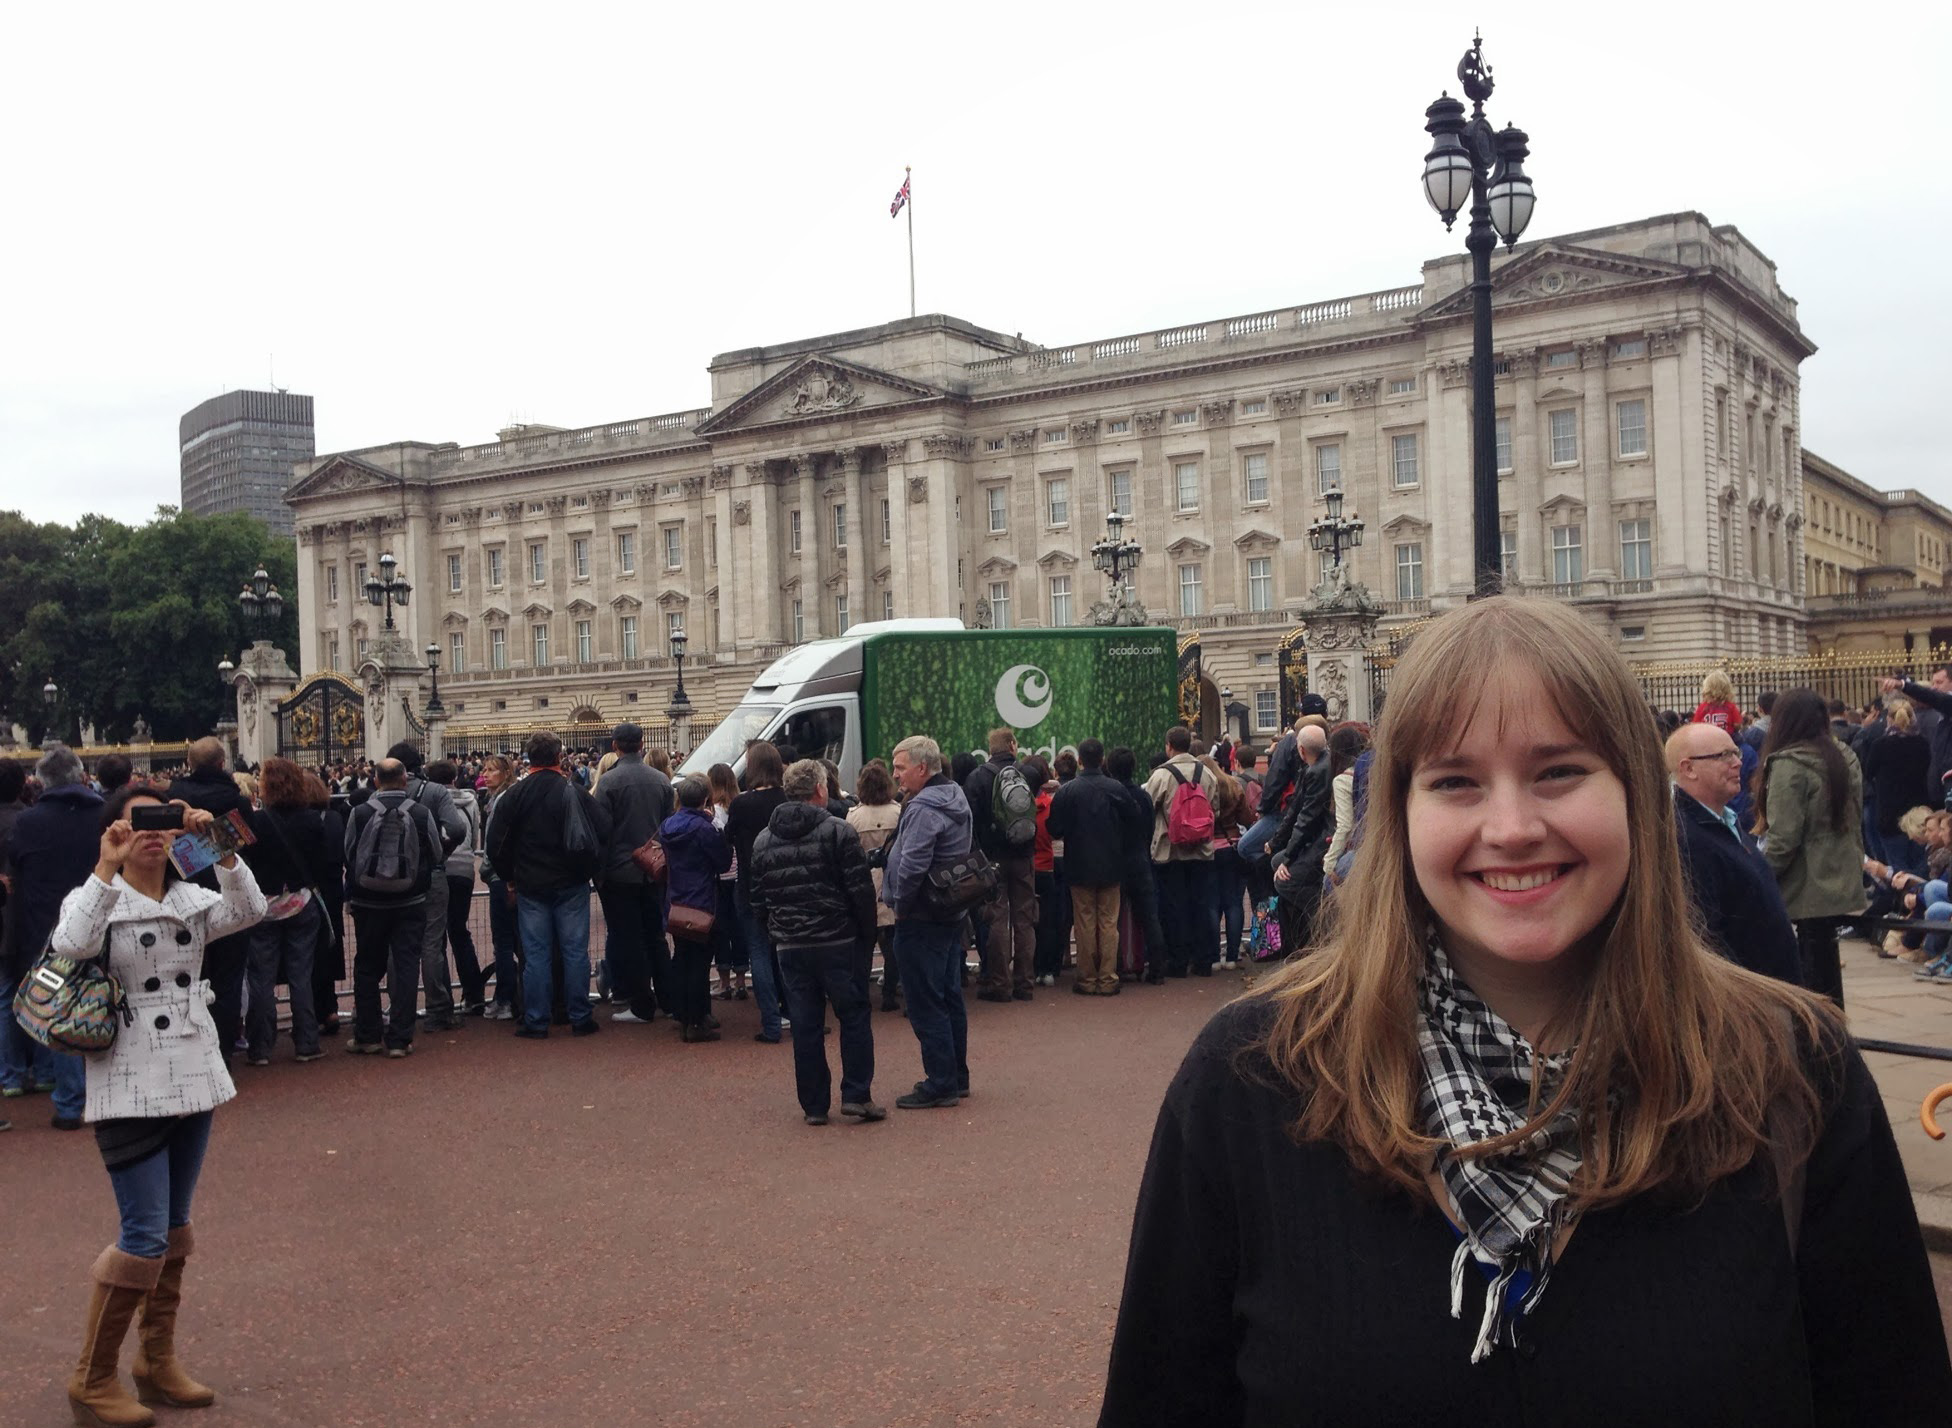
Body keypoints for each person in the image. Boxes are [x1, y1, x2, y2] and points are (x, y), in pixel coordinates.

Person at [1100, 596, 1951, 1424]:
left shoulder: (1795, 1068)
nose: (1510, 828)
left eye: (1559, 772)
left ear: (1634, 797)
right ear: (1400, 816)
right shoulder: (1250, 1074)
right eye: (1456, 781)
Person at [53, 785, 266, 1424]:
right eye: (137, 820)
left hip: (193, 1067)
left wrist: (217, 840)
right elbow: (70, 944)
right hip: (128, 1072)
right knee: (143, 1236)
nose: (152, 832)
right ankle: (92, 1379)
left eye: (163, 820)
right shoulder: (98, 893)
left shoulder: (190, 894)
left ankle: (154, 1361)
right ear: (114, 826)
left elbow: (251, 908)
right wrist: (106, 865)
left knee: (174, 1230)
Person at [751, 759, 883, 1123]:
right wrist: (865, 935)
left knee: (806, 1025)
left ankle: (814, 1106)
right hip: (837, 939)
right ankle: (856, 1092)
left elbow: (758, 899)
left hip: (790, 944)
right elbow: (859, 892)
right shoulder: (838, 831)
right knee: (854, 1015)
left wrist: (775, 931)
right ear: (820, 790)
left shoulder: (764, 840)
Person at [486, 731, 612, 1041]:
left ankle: (537, 1020)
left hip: (530, 884)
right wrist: (588, 869)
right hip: (571, 882)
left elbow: (495, 846)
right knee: (574, 953)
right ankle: (580, 1017)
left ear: (529, 758)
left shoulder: (515, 795)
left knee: (536, 955)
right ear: (558, 757)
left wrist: (510, 877)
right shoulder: (575, 791)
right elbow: (604, 830)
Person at [0, 746, 97, 1128]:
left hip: (47, 927)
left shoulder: (30, 822)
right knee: (105, 1004)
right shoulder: (102, 812)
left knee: (62, 1013)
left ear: (42, 781)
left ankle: (72, 1101)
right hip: (100, 918)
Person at [1664, 722, 1800, 983]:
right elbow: (1705, 940)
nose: (1737, 762)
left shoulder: (1725, 820)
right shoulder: (1684, 838)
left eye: (1735, 753)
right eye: (1723, 756)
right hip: (1750, 1001)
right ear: (1688, 768)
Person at [1756, 688, 1866, 1006]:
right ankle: (1833, 1039)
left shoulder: (1789, 764)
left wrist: (1759, 876)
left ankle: (1821, 1045)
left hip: (1807, 882)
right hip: (1841, 873)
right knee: (1825, 967)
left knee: (1811, 977)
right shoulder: (1844, 754)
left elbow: (1783, 839)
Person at [883, 736, 973, 1108]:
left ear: (922, 768)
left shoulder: (922, 807)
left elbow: (913, 864)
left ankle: (940, 1082)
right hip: (950, 910)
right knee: (950, 996)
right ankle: (956, 1075)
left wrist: (900, 905)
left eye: (901, 767)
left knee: (925, 1001)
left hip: (921, 915)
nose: (896, 775)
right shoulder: (954, 795)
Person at [239, 758, 342, 1065]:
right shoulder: (312, 819)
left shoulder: (254, 822)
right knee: (301, 975)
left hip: (264, 905)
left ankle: (260, 1048)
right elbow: (323, 862)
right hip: (300, 901)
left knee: (262, 979)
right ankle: (307, 1043)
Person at [342, 759, 445, 1057]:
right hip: (410, 900)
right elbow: (436, 853)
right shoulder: (421, 812)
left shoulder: (360, 813)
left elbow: (349, 852)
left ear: (375, 781)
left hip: (368, 901)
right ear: (404, 780)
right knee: (406, 966)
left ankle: (368, 1035)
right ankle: (400, 1039)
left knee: (366, 967)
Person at [163, 739, 253, 1066]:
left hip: (182, 897)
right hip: (226, 893)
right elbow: (246, 846)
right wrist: (216, 841)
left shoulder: (173, 797)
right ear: (221, 763)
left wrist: (191, 856)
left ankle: (190, 1046)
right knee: (228, 979)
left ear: (189, 762)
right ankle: (222, 1049)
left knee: (188, 976)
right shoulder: (236, 800)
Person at [592, 722, 674, 1025]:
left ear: (615, 746)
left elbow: (603, 832)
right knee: (656, 937)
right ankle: (669, 998)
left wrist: (599, 873)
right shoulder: (662, 781)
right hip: (653, 870)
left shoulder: (609, 783)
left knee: (630, 939)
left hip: (620, 870)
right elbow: (668, 828)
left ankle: (642, 1004)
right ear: (641, 745)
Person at [385, 743, 469, 1032]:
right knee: (432, 943)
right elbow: (457, 829)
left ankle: (399, 1009)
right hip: (430, 873)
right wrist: (441, 853)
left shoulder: (380, 794)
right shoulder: (435, 791)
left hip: (392, 877)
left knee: (396, 946)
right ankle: (438, 1010)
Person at [1046, 739, 1132, 995]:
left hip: (1079, 864)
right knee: (1108, 922)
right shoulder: (1115, 788)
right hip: (1111, 863)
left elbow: (1054, 828)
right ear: (1102, 758)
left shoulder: (1068, 791)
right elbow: (1134, 817)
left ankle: (1086, 977)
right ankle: (1107, 977)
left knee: (1084, 922)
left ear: (1080, 760)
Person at [964, 728, 1040, 1004]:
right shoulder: (1029, 775)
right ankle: (1025, 983)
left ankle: (999, 983)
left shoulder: (977, 778)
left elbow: (971, 821)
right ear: (1011, 745)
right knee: (1024, 918)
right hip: (1024, 856)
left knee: (996, 919)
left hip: (992, 859)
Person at [657, 776, 732, 1043]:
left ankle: (685, 1013)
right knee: (699, 964)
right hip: (701, 900)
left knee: (683, 958)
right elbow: (722, 863)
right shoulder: (704, 828)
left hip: (675, 899)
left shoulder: (667, 825)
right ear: (704, 800)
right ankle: (695, 1021)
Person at [727, 741, 789, 1043]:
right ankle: (795, 1014)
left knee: (759, 954)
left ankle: (772, 1024)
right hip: (785, 883)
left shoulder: (742, 803)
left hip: (751, 885)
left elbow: (728, 838)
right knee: (787, 951)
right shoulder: (788, 798)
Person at [1144, 727, 1218, 977]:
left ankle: (1178, 961)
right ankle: (1204, 960)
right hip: (1202, 850)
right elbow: (1214, 809)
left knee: (1173, 908)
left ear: (1168, 746)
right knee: (1202, 904)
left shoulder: (1161, 775)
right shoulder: (1206, 773)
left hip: (1170, 850)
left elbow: (1147, 808)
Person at [1107, 746, 1170, 985]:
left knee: (1112, 917)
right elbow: (1150, 826)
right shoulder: (1143, 795)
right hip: (1140, 858)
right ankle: (1156, 968)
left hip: (1116, 860)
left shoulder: (1111, 795)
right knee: (1149, 917)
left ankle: (1118, 966)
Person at [1268, 725, 1332, 956]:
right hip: (1319, 835)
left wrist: (1288, 856)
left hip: (1325, 839)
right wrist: (1280, 849)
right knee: (1276, 864)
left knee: (1285, 881)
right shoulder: (1320, 765)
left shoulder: (1316, 771)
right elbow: (1298, 811)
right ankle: (1291, 939)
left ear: (1301, 750)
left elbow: (1305, 817)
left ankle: (1325, 921)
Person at [845, 762, 902, 1012]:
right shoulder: (898, 812)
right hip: (891, 880)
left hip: (865, 881)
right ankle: (889, 992)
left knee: (864, 945)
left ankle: (861, 995)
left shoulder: (853, 816)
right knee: (892, 945)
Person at [1861, 698, 1933, 878]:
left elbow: (1868, 773)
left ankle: (1902, 901)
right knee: (1920, 865)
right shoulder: (1922, 743)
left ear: (1889, 719)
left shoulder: (1881, 745)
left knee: (1897, 867)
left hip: (1890, 812)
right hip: (1918, 811)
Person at [476, 756, 522, 1020]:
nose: (486, 774)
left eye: (491, 770)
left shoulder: (501, 801)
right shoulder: (497, 799)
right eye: (485, 769)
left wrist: (486, 870)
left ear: (505, 773)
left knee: (503, 941)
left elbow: (493, 844)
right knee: (515, 939)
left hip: (500, 878)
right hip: (509, 876)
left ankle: (505, 998)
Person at [707, 762, 748, 1003]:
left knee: (721, 929)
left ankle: (724, 982)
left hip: (720, 876)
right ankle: (741, 978)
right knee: (739, 928)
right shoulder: (740, 805)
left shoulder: (713, 811)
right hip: (739, 873)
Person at [1884, 666, 1952, 797]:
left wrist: (1903, 685)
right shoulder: (1944, 716)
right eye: (1933, 683)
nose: (1934, 687)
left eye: (1939, 682)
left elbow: (1932, 697)